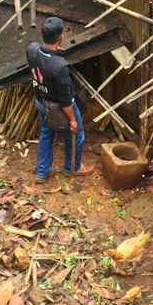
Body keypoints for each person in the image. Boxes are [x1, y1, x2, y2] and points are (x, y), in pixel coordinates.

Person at [26, 17, 92, 182]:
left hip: (41, 101)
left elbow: (43, 54)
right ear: (61, 37)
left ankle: (42, 172)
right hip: (58, 107)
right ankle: (73, 168)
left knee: (46, 133)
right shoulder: (60, 67)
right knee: (76, 134)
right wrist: (72, 120)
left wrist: (53, 52)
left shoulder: (32, 49)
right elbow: (65, 100)